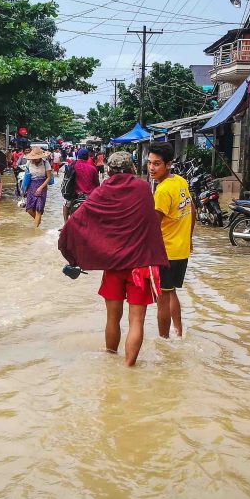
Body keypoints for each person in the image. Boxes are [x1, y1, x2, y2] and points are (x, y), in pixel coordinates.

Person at [59, 151, 169, 367]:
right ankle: (129, 368)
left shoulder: (102, 191)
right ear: (132, 169)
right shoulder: (143, 188)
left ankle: (110, 360)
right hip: (141, 265)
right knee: (136, 320)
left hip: (114, 264)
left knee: (112, 318)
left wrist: (72, 255)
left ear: (108, 171)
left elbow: (76, 222)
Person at [147, 143, 194, 338]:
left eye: (157, 164)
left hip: (166, 252)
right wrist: (189, 239)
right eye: (149, 163)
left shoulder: (162, 191)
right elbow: (193, 213)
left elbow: (153, 227)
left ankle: (164, 341)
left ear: (168, 164)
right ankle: (179, 331)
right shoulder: (181, 181)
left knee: (162, 299)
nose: (151, 168)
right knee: (171, 292)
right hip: (181, 251)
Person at [62, 146, 101, 222]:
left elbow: (66, 180)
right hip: (90, 197)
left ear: (78, 156)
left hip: (75, 196)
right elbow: (97, 185)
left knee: (65, 207)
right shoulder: (93, 168)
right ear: (87, 156)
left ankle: (65, 225)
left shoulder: (72, 165)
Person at [23, 146, 53, 227]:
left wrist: (41, 187)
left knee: (38, 209)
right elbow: (27, 177)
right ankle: (38, 221)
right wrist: (24, 189)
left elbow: (49, 177)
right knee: (29, 209)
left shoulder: (45, 163)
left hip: (42, 185)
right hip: (31, 185)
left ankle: (35, 231)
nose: (35, 159)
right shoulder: (29, 163)